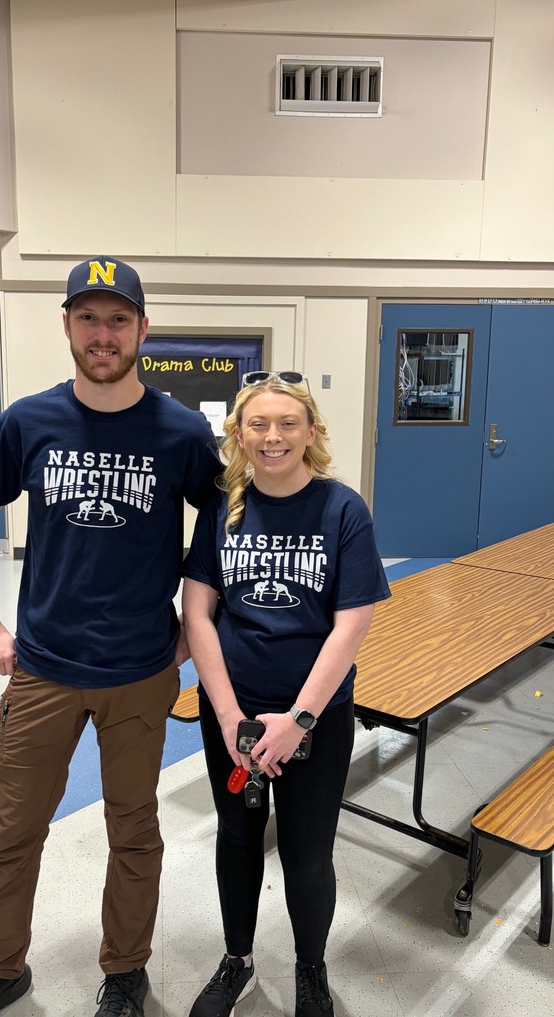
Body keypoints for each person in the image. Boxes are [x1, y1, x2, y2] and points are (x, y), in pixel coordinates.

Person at [0, 256, 220, 1017]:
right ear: (66, 325)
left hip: (140, 669)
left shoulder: (182, 431)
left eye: (118, 319)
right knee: (13, 827)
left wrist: (199, 621)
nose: (103, 334)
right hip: (45, 667)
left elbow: (223, 528)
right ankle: (0, 969)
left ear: (142, 330)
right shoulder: (29, 420)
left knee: (134, 830)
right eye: (88, 318)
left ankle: (125, 972)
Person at [182, 372, 390, 1017]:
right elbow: (198, 614)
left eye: (287, 424)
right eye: (258, 425)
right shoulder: (222, 505)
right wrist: (226, 717)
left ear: (311, 432)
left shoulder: (342, 508)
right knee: (238, 840)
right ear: (238, 434)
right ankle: (236, 961)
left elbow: (351, 622)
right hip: (235, 715)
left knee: (306, 853)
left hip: (314, 719)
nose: (273, 437)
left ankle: (310, 969)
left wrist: (299, 719)